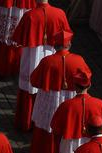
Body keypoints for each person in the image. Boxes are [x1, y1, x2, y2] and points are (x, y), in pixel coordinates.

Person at [27, 30, 91, 153]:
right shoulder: (78, 60)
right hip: (71, 100)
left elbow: (34, 80)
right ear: (69, 44)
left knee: (46, 129)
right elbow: (87, 78)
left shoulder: (47, 61)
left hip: (49, 100)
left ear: (55, 45)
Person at [10, 0, 72, 132]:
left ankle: (26, 121)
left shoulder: (30, 15)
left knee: (29, 88)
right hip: (53, 55)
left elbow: (17, 38)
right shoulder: (59, 13)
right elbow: (67, 36)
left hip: (32, 55)